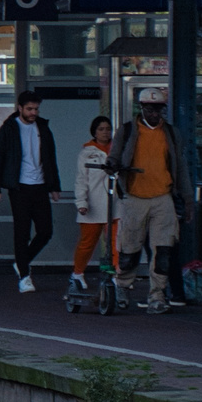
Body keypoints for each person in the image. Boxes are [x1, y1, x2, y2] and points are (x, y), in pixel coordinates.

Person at [109, 86, 195, 314]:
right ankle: (122, 285)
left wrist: (187, 200)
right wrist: (113, 166)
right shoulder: (127, 131)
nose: (154, 114)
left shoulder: (171, 134)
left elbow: (181, 168)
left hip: (163, 197)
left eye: (158, 109)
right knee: (129, 248)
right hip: (134, 196)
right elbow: (113, 157)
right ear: (141, 108)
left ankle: (157, 295)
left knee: (164, 250)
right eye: (150, 109)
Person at [0, 90, 60, 293]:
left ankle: (21, 262)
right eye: (29, 109)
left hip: (40, 186)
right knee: (22, 232)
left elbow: (50, 159)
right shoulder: (9, 129)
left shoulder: (43, 128)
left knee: (45, 231)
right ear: (20, 108)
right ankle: (25, 276)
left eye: (36, 109)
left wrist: (54, 186)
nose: (33, 112)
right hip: (19, 187)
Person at [70, 116, 116, 291]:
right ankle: (77, 273)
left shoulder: (117, 150)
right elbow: (81, 180)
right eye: (101, 129)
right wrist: (81, 201)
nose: (105, 132)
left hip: (115, 203)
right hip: (93, 203)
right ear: (94, 132)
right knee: (88, 242)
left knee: (115, 242)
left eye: (108, 129)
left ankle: (115, 275)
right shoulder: (87, 153)